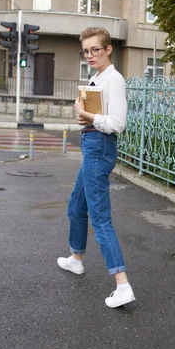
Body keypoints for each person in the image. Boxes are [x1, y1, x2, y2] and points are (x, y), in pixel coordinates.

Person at [56, 27, 134, 308]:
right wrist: (85, 120)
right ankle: (76, 259)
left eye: (95, 50)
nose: (90, 55)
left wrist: (88, 115)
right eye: (86, 51)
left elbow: (117, 123)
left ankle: (122, 284)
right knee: (77, 206)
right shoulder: (96, 78)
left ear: (108, 49)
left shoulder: (114, 80)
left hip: (100, 149)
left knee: (100, 218)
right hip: (92, 146)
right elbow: (97, 118)